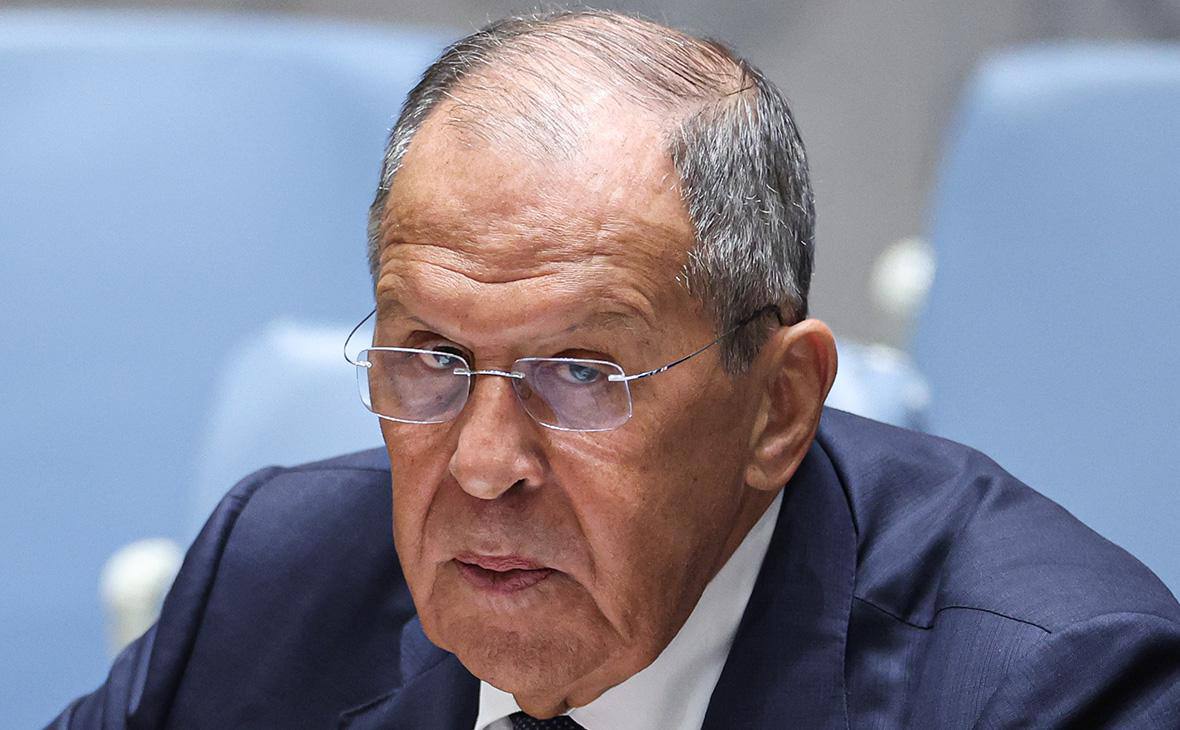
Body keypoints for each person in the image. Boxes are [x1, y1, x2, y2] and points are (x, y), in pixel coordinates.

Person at [52, 9, 1180, 729]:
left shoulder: (1052, 689)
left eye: (582, 374)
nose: (483, 465)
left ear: (778, 406)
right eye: (434, 357)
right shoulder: (274, 578)